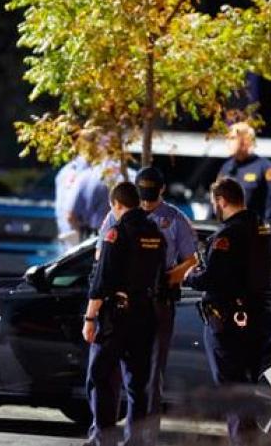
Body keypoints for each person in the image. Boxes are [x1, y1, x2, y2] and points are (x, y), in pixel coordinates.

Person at [95, 167, 198, 443]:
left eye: (151, 194)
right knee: (111, 375)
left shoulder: (174, 219)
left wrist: (169, 278)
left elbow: (192, 258)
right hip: (120, 302)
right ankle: (102, 434)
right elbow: (100, 252)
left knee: (148, 377)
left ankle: (141, 437)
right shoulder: (117, 216)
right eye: (143, 194)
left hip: (156, 302)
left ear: (162, 190)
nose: (147, 200)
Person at [184, 177, 271, 446]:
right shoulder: (263, 228)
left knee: (232, 391)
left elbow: (213, 278)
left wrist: (191, 276)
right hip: (259, 317)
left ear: (221, 201)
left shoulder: (227, 236)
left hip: (230, 322)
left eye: (216, 203)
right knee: (246, 387)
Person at [83, 181, 166, 446]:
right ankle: (135, 441)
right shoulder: (155, 233)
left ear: (117, 205)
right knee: (137, 385)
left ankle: (102, 440)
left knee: (99, 378)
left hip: (116, 318)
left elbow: (101, 281)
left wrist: (89, 318)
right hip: (146, 315)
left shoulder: (115, 234)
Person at [217, 122, 271, 224]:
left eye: (232, 138)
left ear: (245, 141)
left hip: (253, 232)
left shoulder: (265, 167)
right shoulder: (226, 167)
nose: (227, 142)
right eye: (227, 138)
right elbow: (216, 202)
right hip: (228, 231)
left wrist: (264, 235)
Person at [55, 156, 91, 246]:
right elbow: (70, 215)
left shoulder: (63, 172)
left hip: (67, 233)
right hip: (78, 235)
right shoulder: (85, 172)